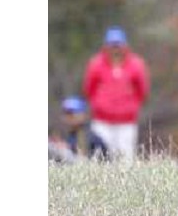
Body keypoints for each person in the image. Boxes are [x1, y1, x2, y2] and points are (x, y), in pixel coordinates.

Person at [83, 26, 149, 161]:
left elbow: (142, 91)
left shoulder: (136, 64)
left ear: (124, 46)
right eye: (112, 45)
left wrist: (131, 107)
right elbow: (89, 89)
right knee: (101, 158)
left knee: (125, 158)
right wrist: (99, 106)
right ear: (106, 46)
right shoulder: (96, 64)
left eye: (118, 45)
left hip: (126, 122)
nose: (115, 49)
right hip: (102, 122)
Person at [48, 96, 108, 163]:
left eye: (71, 113)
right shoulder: (63, 134)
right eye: (65, 113)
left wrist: (67, 149)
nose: (68, 117)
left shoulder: (92, 138)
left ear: (83, 115)